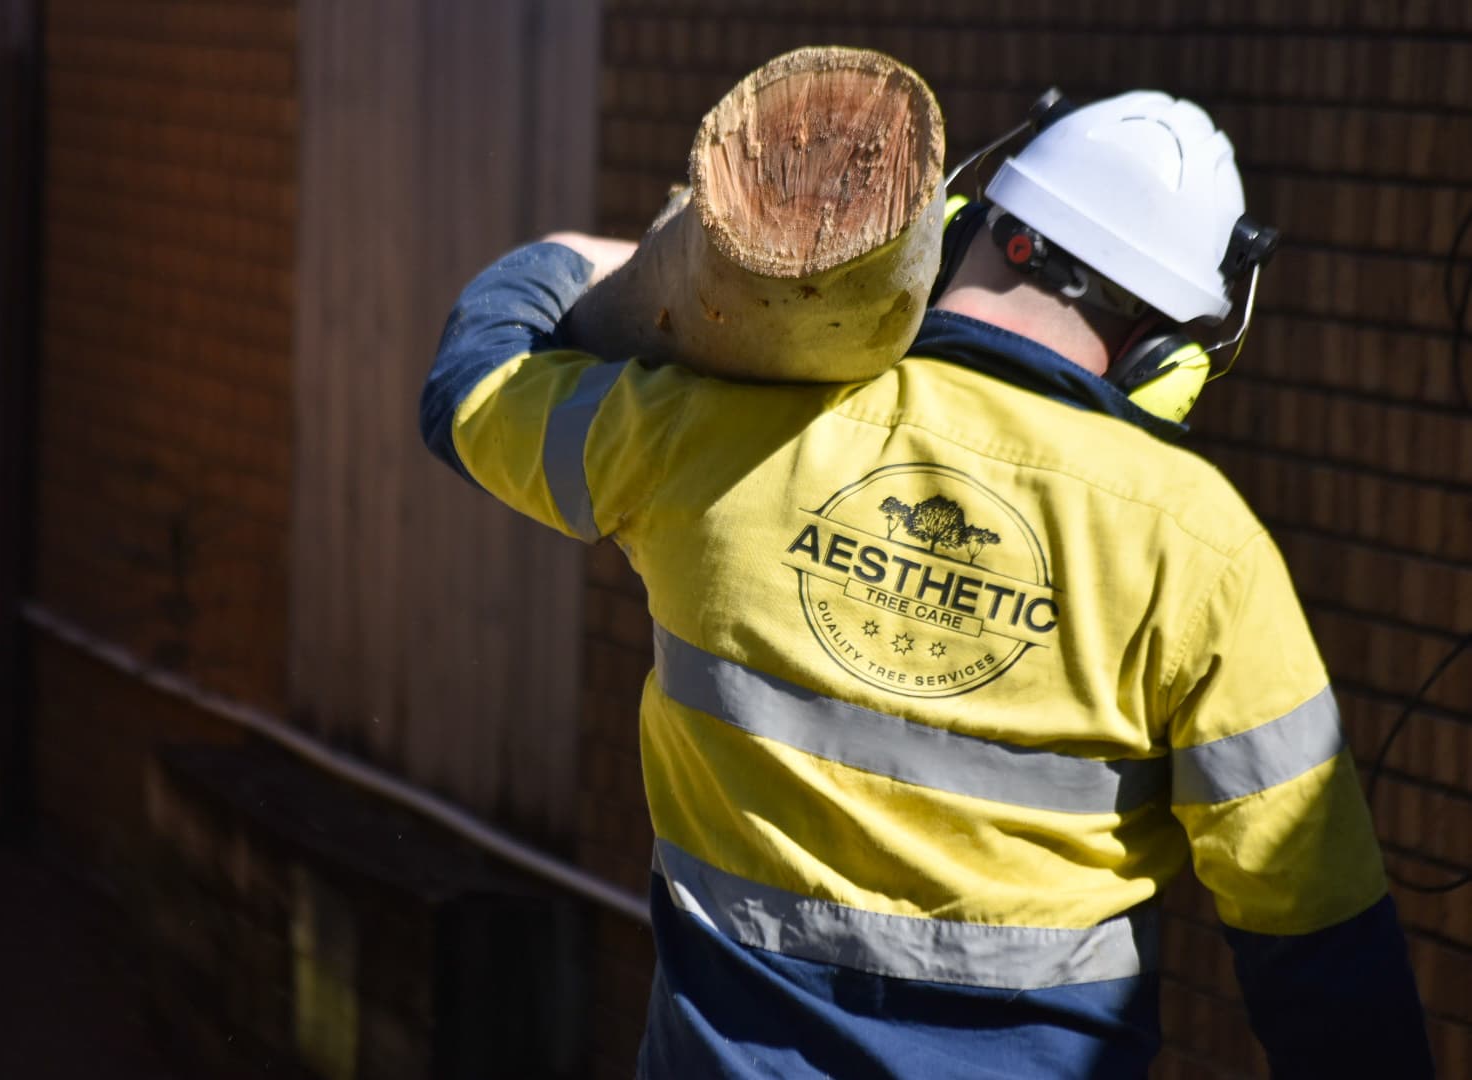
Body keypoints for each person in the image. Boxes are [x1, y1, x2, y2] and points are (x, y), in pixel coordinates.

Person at [419, 88, 1433, 1078]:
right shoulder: (1202, 545)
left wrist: (584, 263)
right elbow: (1319, 943)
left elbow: (469, 393)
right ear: (1167, 352)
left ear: (964, 226)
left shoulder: (720, 430)